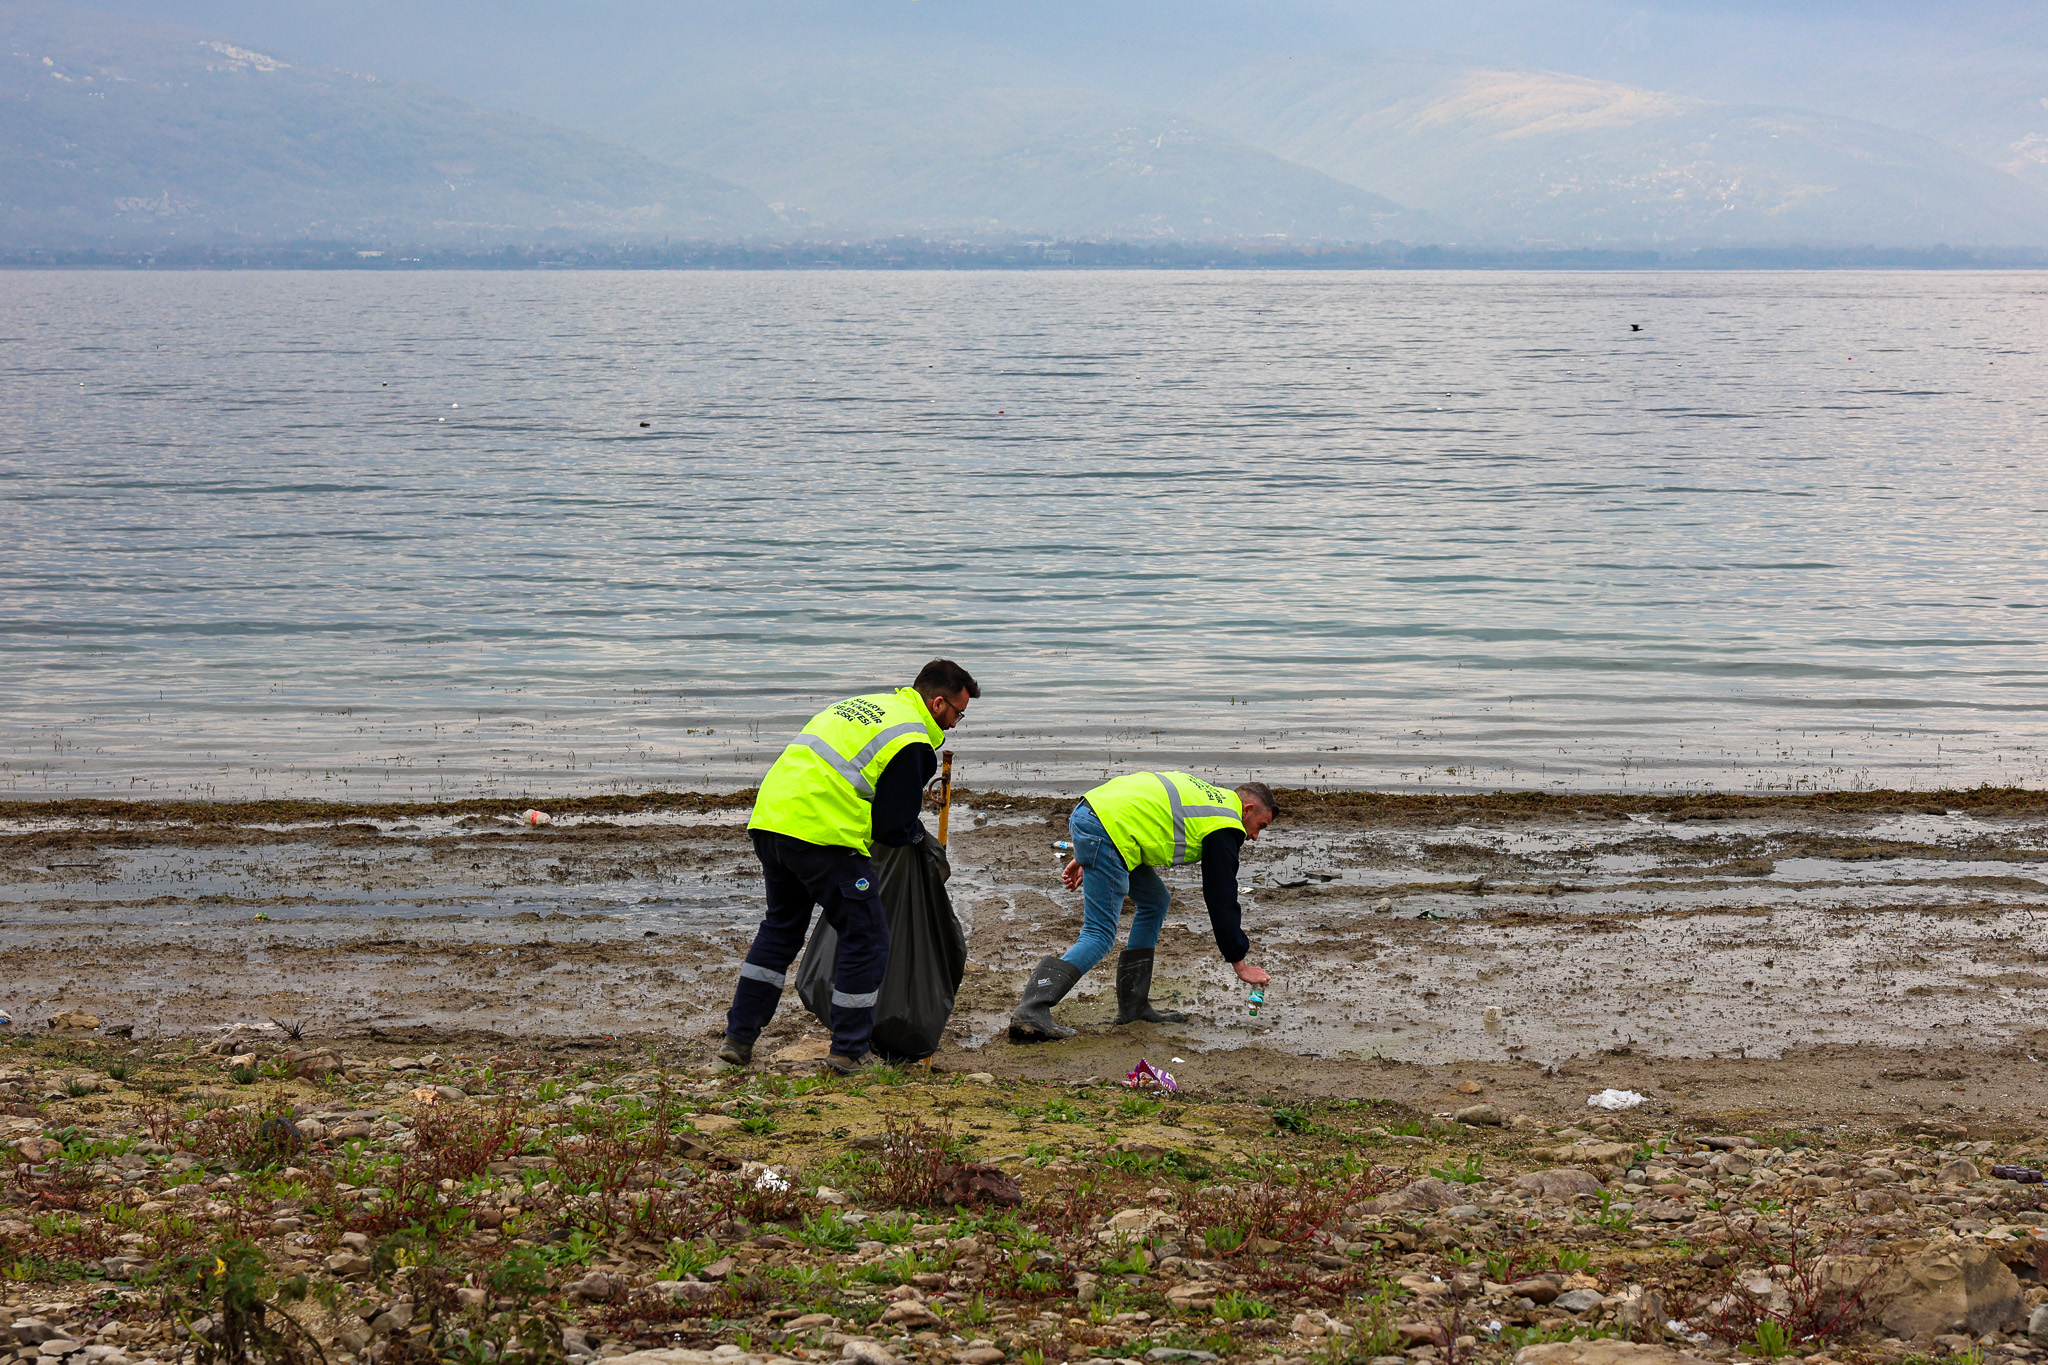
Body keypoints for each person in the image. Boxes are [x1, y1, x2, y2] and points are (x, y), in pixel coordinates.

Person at [721, 659, 979, 1074]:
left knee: (780, 930)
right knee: (868, 937)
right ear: (937, 703)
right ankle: (849, 1051)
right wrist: (918, 842)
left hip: (770, 822)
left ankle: (738, 1039)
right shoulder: (911, 739)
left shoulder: (866, 706)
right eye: (957, 713)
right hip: (822, 836)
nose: (955, 723)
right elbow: (892, 826)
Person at [1010, 771, 1276, 1041]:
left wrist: (1085, 851)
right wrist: (1239, 963)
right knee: (1099, 935)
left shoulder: (1211, 798)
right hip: (1106, 831)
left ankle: (1134, 1007)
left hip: (1097, 819)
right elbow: (1221, 895)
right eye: (1260, 826)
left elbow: (1142, 807)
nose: (1255, 836)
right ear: (1248, 809)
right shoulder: (1224, 823)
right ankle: (1033, 1009)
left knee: (1155, 901)